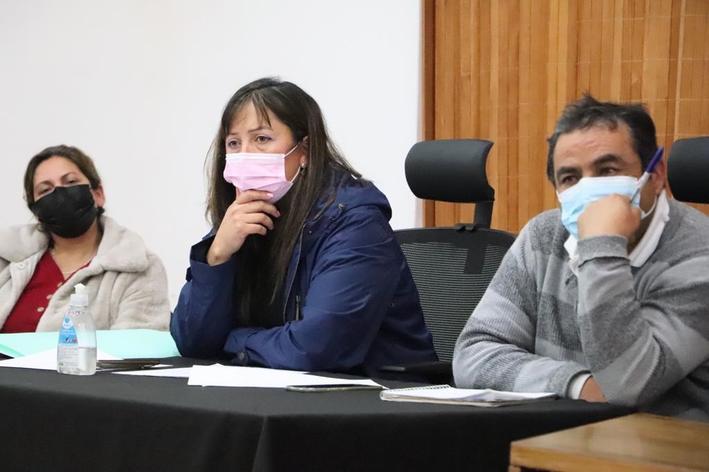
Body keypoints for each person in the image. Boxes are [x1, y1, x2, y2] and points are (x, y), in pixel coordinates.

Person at [452, 95, 709, 421]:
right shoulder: (544, 236)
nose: (589, 190)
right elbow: (473, 354)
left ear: (655, 175)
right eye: (570, 178)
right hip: (556, 436)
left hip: (664, 446)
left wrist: (600, 245)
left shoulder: (699, 257)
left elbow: (626, 384)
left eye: (608, 170)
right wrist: (577, 383)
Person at [170, 77, 436, 377]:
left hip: (379, 393)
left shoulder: (355, 222)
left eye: (262, 139)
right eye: (234, 143)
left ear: (305, 149)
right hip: (280, 390)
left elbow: (316, 347)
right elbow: (192, 342)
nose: (245, 154)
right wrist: (217, 255)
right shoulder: (241, 218)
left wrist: (233, 340)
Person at [0, 145, 171, 332]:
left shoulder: (138, 267)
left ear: (98, 194)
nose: (59, 194)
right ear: (36, 211)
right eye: (45, 190)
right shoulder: (7, 260)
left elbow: (137, 344)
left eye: (71, 182)